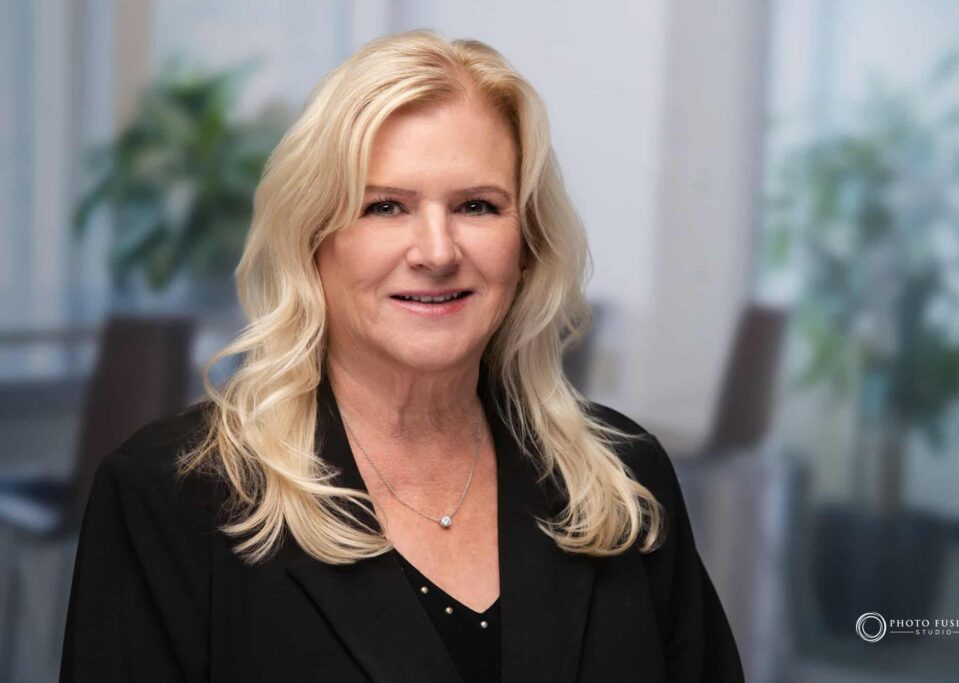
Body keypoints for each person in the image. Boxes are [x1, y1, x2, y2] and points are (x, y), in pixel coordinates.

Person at [60, 30, 744, 682]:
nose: (438, 252)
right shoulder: (171, 498)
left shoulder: (625, 480)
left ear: (528, 243)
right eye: (386, 207)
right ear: (313, 239)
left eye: (477, 205)